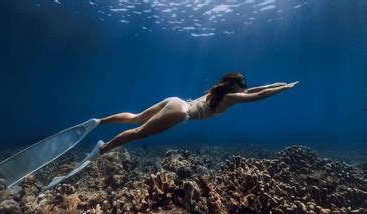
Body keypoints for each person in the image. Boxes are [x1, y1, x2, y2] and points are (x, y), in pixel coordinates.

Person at [90, 72, 298, 157]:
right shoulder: (230, 98)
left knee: (136, 117)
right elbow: (259, 95)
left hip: (176, 100)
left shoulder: (218, 92)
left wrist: (280, 84)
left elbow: (258, 89)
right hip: (181, 112)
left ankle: (99, 122)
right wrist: (282, 90)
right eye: (241, 85)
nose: (244, 89)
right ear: (233, 86)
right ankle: (102, 150)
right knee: (138, 132)